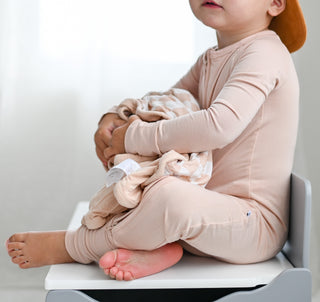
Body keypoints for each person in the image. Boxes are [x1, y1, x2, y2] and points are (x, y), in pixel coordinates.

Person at [6, 0, 307, 281]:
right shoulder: (210, 59)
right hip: (206, 218)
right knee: (140, 179)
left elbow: (218, 126)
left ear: (276, 3)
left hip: (252, 226)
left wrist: (134, 136)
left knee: (167, 197)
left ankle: (76, 245)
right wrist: (116, 117)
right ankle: (159, 247)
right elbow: (164, 103)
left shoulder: (264, 53)